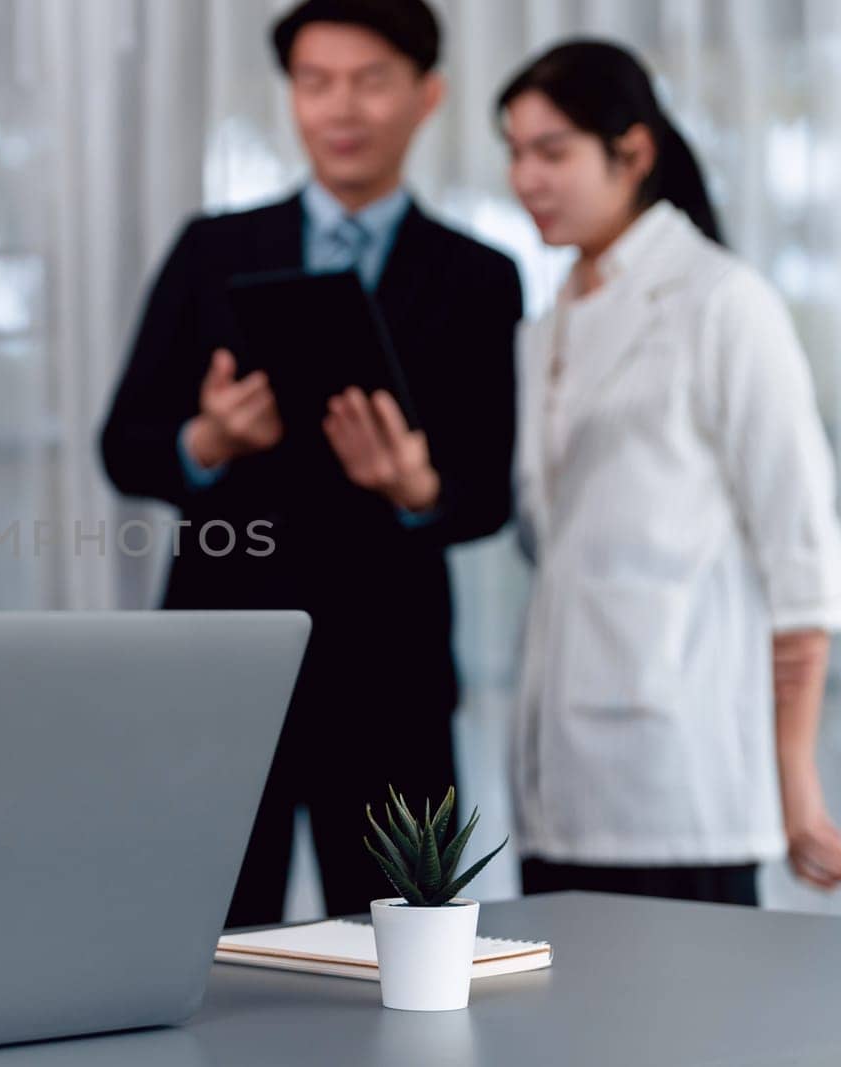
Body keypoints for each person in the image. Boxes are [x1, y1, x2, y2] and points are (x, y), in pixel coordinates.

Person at [99, 0, 522, 925]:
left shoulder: (478, 275)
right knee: (202, 943)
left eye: (372, 82)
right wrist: (207, 441)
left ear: (427, 96)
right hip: (223, 663)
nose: (343, 108)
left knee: (405, 958)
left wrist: (418, 489)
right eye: (317, 82)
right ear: (291, 96)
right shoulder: (213, 251)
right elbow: (123, 443)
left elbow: (489, 490)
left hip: (392, 674)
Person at [499, 40, 841, 906]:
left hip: (684, 767)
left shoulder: (722, 302)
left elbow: (801, 553)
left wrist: (793, 774)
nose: (526, 178)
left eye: (553, 151)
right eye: (514, 152)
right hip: (555, 771)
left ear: (634, 151)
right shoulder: (544, 329)